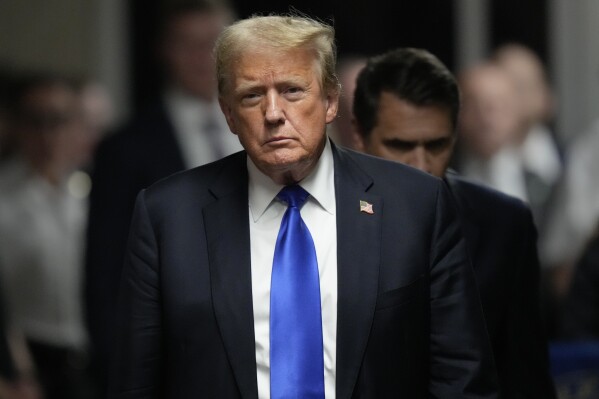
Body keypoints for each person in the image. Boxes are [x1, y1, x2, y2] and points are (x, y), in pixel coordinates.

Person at [108, 14, 499, 398]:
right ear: (228, 114)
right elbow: (135, 383)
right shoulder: (169, 216)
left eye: (293, 90)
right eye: (252, 96)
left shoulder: (415, 204)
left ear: (331, 102)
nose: (274, 114)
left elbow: (462, 376)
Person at [352, 47, 555, 398]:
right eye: (399, 145)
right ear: (359, 135)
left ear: (455, 136)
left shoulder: (505, 225)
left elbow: (525, 376)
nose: (420, 164)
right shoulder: (316, 222)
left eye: (436, 145)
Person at [84, 0, 242, 393]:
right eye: (188, 44)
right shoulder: (126, 147)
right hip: (174, 360)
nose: (202, 58)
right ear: (164, 50)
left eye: (214, 43)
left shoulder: (267, 129)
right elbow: (106, 272)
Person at [0, 73, 98, 399]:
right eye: (35, 121)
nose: (47, 134)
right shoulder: (5, 197)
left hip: (92, 355)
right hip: (28, 357)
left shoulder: (95, 192)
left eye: (59, 120)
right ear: (17, 126)